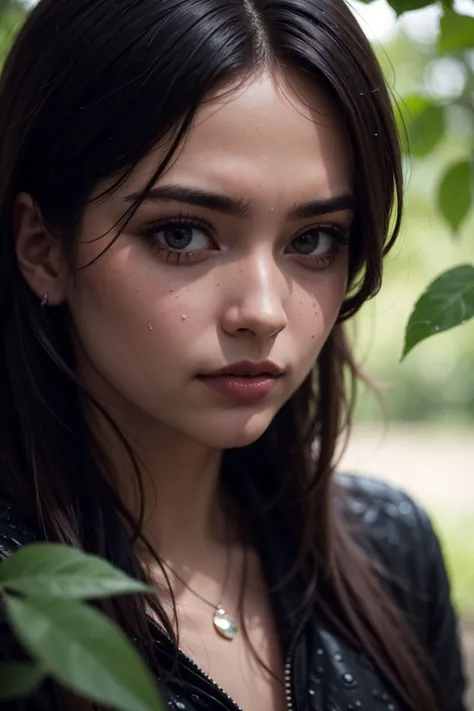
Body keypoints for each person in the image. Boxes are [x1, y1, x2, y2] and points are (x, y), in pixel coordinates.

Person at [0, 0, 467, 709]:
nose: (265, 310)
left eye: (313, 240)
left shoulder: (392, 554)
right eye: (184, 233)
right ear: (42, 246)